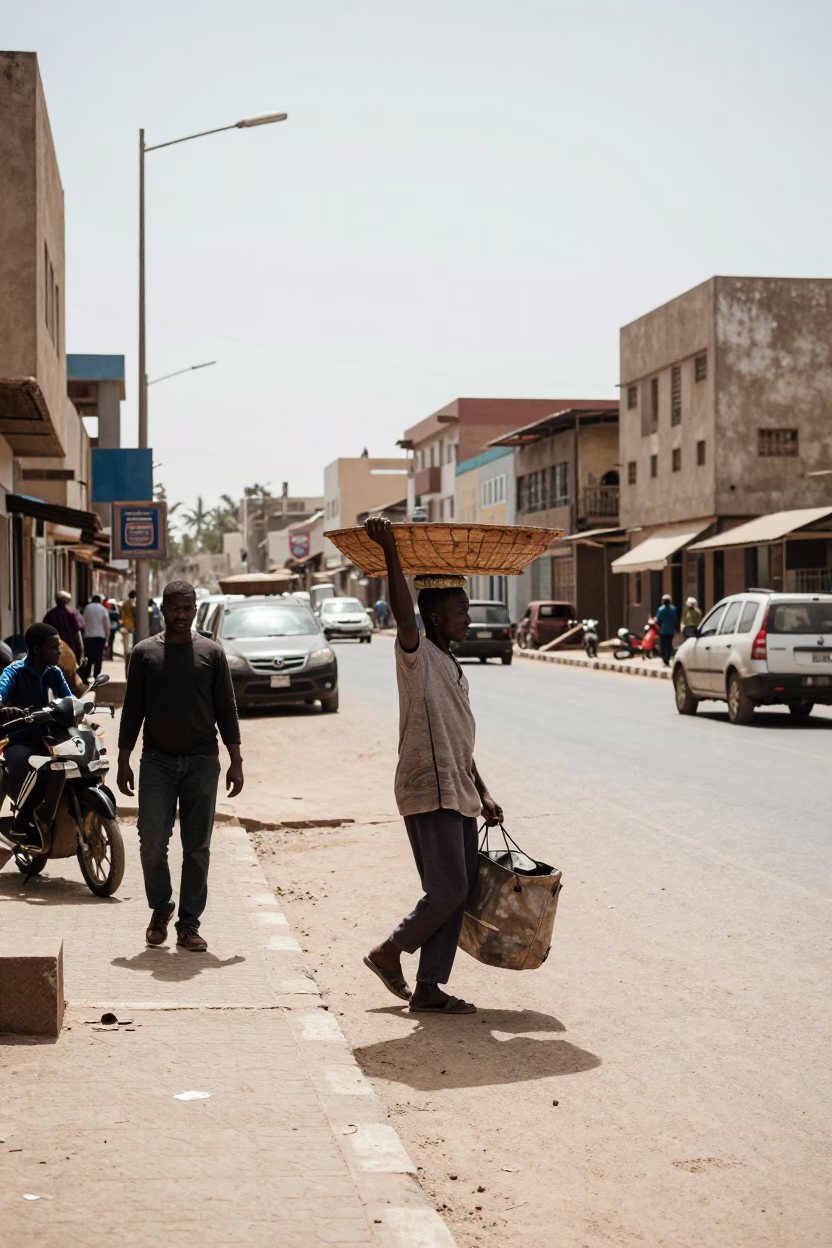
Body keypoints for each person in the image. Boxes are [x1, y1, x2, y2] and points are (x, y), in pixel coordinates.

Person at [362, 516, 503, 1015]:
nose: (468, 618)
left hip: (459, 791)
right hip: (428, 788)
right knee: (445, 890)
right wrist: (390, 553)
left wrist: (482, 790)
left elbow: (459, 739)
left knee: (456, 893)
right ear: (436, 619)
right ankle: (389, 951)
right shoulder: (417, 655)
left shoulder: (453, 663)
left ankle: (427, 988)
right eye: (460, 612)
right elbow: (404, 617)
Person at [116, 579, 244, 953]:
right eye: (174, 608)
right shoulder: (143, 654)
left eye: (188, 608)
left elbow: (227, 710)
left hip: (203, 761)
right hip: (156, 760)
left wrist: (236, 760)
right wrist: (123, 761)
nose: (181, 615)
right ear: (163, 609)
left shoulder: (212, 653)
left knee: (197, 847)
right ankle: (161, 908)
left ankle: (188, 925)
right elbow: (132, 710)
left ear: (195, 610)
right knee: (152, 840)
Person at [0, 623, 73, 842]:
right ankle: (21, 824)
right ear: (37, 649)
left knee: (71, 763)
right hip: (19, 739)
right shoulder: (14, 671)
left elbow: (69, 699)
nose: (59, 652)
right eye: (54, 647)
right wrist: (4, 709)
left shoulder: (55, 672)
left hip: (48, 737)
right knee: (36, 772)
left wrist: (80, 709)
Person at [43, 590, 84, 665]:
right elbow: (77, 634)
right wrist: (80, 652)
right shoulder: (73, 613)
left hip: (54, 647)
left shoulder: (50, 614)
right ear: (67, 601)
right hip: (70, 647)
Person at [81, 594, 110, 679]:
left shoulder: (87, 608)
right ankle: (96, 676)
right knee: (98, 657)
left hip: (88, 636)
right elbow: (107, 624)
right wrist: (107, 637)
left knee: (88, 657)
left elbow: (83, 622)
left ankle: (86, 676)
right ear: (100, 601)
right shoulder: (103, 609)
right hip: (99, 637)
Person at [656, 593, 679, 666]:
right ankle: (667, 658)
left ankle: (664, 659)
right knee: (669, 645)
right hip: (670, 630)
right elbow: (675, 620)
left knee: (663, 645)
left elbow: (658, 619)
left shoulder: (661, 609)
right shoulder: (673, 609)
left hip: (663, 630)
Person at [119, 589, 136, 673]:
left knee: (127, 653)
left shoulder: (124, 604)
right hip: (131, 629)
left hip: (126, 628)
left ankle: (127, 673)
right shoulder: (133, 603)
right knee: (131, 653)